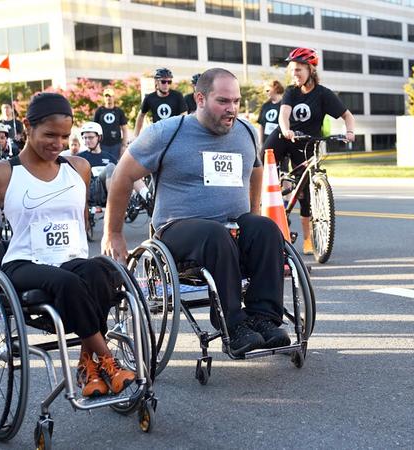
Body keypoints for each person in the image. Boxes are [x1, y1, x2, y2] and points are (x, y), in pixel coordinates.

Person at [0, 92, 136, 398]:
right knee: (69, 282)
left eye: (65, 136)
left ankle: (87, 363)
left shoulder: (78, 168)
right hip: (24, 264)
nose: (58, 144)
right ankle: (108, 359)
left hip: (69, 259)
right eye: (50, 135)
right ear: (27, 126)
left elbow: (79, 218)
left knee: (100, 272)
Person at [103, 68, 289, 357]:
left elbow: (255, 171)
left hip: (231, 229)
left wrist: (253, 214)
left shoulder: (246, 132)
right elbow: (122, 176)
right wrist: (113, 232)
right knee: (214, 235)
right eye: (223, 101)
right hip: (178, 230)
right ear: (200, 98)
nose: (232, 109)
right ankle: (233, 325)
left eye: (236, 102)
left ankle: (265, 319)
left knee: (266, 228)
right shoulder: (166, 132)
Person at [263, 47, 356, 255]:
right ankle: (273, 187)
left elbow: (347, 115)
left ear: (311, 70)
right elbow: (284, 115)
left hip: (307, 143)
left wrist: (349, 132)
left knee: (305, 196)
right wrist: (286, 129)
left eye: (298, 70)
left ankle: (308, 240)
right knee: (264, 158)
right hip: (286, 137)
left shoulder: (323, 94)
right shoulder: (291, 92)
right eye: (292, 70)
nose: (294, 74)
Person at [134, 68, 186, 137]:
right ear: (156, 82)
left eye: (169, 82)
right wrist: (135, 136)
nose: (166, 84)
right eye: (163, 81)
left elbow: (184, 115)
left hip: (175, 135)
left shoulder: (177, 96)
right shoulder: (149, 98)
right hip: (158, 136)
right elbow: (141, 115)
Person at [78, 121, 118, 205]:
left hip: (111, 188)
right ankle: (115, 205)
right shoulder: (79, 158)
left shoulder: (110, 157)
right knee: (110, 167)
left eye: (90, 137)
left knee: (126, 167)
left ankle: (146, 196)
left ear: (99, 138)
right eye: (85, 138)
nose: (87, 141)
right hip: (93, 191)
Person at [93, 88, 128, 160]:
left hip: (116, 145)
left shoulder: (119, 111)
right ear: (104, 98)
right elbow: (94, 129)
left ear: (113, 97)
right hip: (102, 144)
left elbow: (124, 129)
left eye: (110, 96)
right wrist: (95, 144)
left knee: (115, 166)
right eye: (106, 96)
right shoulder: (99, 111)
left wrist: (124, 145)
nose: (108, 98)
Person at [257, 79, 284, 148]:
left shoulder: (285, 105)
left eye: (268, 90)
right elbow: (261, 125)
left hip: (281, 142)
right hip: (266, 142)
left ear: (275, 88)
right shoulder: (265, 106)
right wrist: (260, 142)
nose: (266, 93)